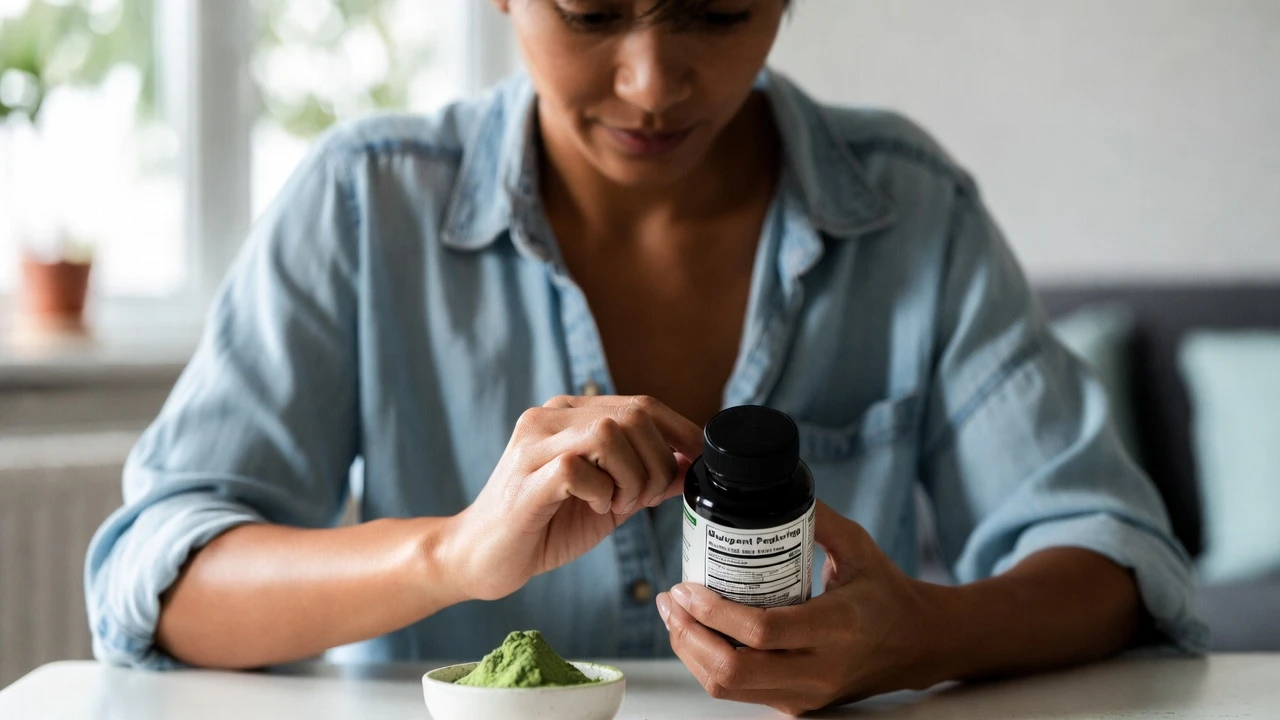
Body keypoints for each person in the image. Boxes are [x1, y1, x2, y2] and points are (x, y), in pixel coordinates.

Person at [86, 0, 1204, 715]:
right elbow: (162, 577)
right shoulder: (362, 206)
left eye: (716, 13)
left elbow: (1109, 554)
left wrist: (919, 637)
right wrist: (453, 555)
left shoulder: (909, 211)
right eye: (589, 11)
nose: (650, 83)